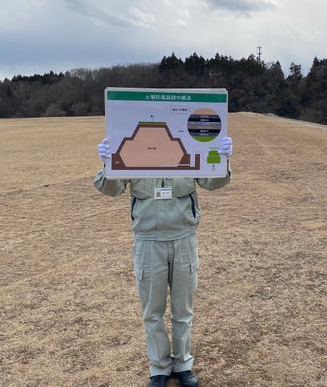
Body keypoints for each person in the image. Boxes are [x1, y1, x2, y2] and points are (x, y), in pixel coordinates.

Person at [94, 135, 233, 387]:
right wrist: (108, 162)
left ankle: (183, 364)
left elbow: (212, 182)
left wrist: (222, 159)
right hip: (148, 241)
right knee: (152, 311)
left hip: (184, 237)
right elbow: (110, 189)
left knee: (183, 309)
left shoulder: (191, 145)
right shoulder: (132, 146)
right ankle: (159, 366)